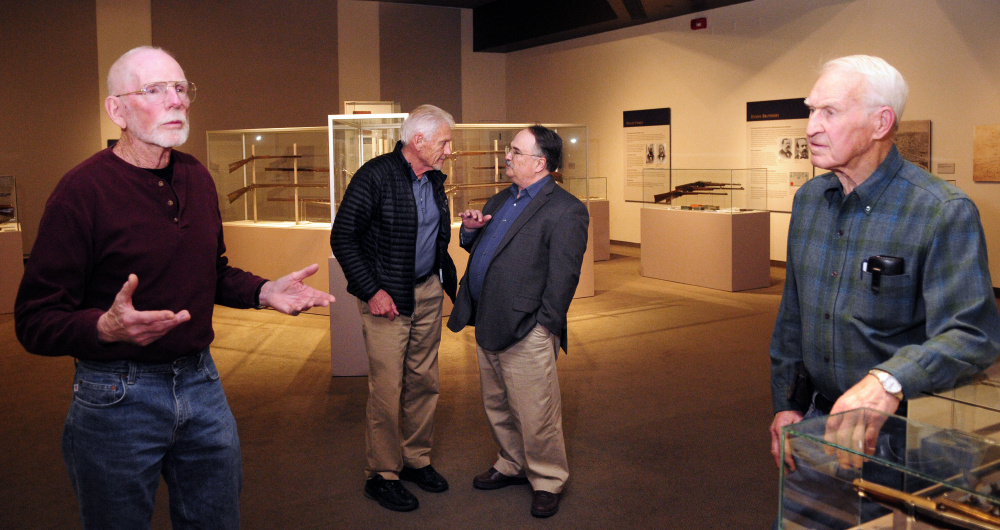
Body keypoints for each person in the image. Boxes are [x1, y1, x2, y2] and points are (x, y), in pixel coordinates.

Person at [14, 46, 335, 529]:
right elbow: (34, 320)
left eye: (181, 88)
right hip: (115, 393)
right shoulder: (80, 192)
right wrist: (103, 327)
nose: (176, 100)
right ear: (116, 110)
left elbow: (212, 270)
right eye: (155, 90)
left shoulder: (197, 178)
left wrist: (265, 291)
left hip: (201, 382)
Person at [768, 55, 1000, 527]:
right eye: (810, 110)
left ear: (881, 122)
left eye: (829, 112)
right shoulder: (809, 200)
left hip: (904, 440)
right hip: (817, 428)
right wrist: (786, 405)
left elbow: (973, 335)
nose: (811, 126)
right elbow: (794, 316)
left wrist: (887, 380)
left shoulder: (940, 211)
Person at [448, 125, 589, 518]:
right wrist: (471, 232)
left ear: (540, 163)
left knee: (535, 411)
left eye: (515, 151)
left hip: (527, 327)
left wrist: (544, 324)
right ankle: (511, 462)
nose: (506, 156)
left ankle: (547, 479)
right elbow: (483, 248)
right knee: (497, 403)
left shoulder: (567, 209)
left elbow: (564, 277)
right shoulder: (501, 197)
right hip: (487, 319)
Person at [330, 104, 458, 512]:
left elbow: (434, 234)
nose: (449, 150)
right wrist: (372, 291)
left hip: (427, 291)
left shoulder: (434, 179)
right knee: (387, 388)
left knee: (424, 380)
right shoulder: (375, 175)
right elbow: (343, 237)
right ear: (417, 141)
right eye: (444, 142)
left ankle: (416, 459)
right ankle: (382, 473)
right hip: (387, 298)